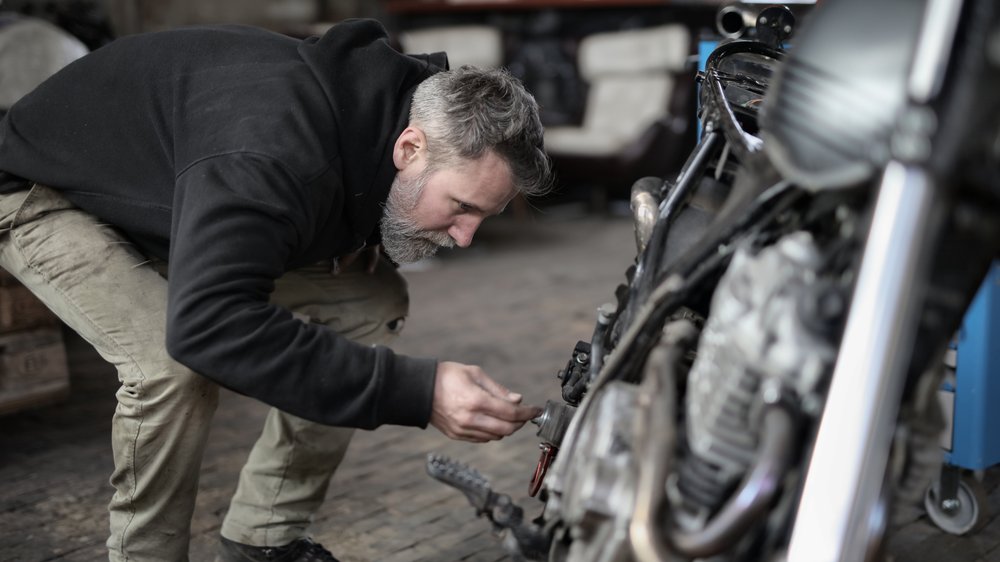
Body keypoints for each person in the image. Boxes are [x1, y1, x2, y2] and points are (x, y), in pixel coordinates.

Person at [0, 17, 551, 562]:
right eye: (462, 208)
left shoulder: (387, 109)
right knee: (169, 362)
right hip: (42, 190)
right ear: (409, 148)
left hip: (156, 192)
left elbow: (329, 188)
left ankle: (262, 539)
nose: (465, 237)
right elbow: (208, 327)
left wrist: (358, 224)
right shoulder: (273, 152)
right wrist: (418, 392)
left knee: (370, 302)